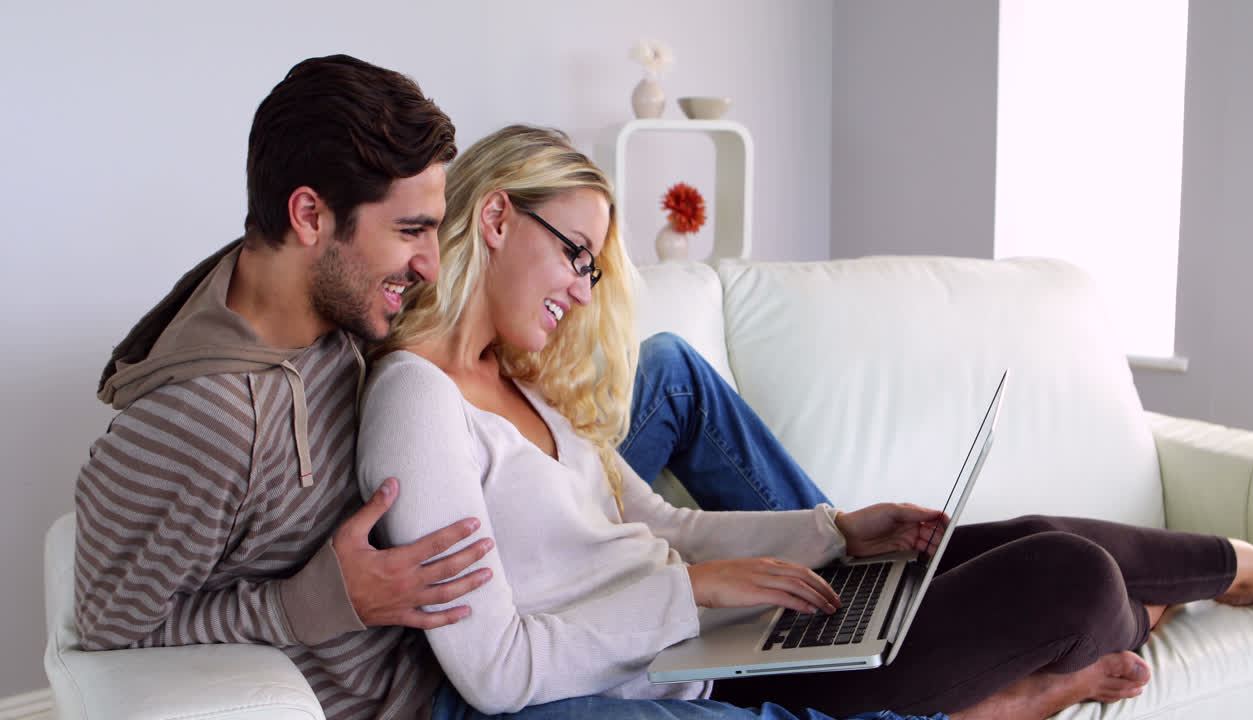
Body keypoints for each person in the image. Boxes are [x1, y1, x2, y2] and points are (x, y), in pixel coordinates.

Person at [72, 53, 913, 720]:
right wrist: (315, 601)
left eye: (435, 230)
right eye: (409, 232)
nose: (433, 265)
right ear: (307, 216)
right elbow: (107, 629)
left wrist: (826, 531)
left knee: (667, 372)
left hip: (481, 558)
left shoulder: (330, 311)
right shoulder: (203, 422)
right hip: (443, 675)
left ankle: (861, 592)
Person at [357, 124, 1253, 720]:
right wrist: (698, 593)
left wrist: (833, 529)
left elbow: (665, 526)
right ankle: (1089, 649)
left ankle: (1241, 572)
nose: (580, 289)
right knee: (1071, 578)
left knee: (1029, 536)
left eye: (593, 270)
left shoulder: (525, 386)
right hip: (697, 665)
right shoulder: (416, 401)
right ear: (491, 219)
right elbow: (493, 673)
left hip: (728, 630)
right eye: (575, 255)